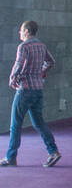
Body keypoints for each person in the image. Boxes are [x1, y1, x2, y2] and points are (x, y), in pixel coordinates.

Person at [2, 21, 61, 168]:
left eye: (21, 30)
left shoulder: (24, 46)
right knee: (39, 122)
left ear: (27, 31)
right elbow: (51, 61)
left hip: (25, 89)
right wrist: (41, 72)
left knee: (15, 125)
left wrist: (12, 78)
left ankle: (11, 157)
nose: (19, 33)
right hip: (38, 90)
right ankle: (53, 151)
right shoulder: (41, 46)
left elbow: (18, 63)